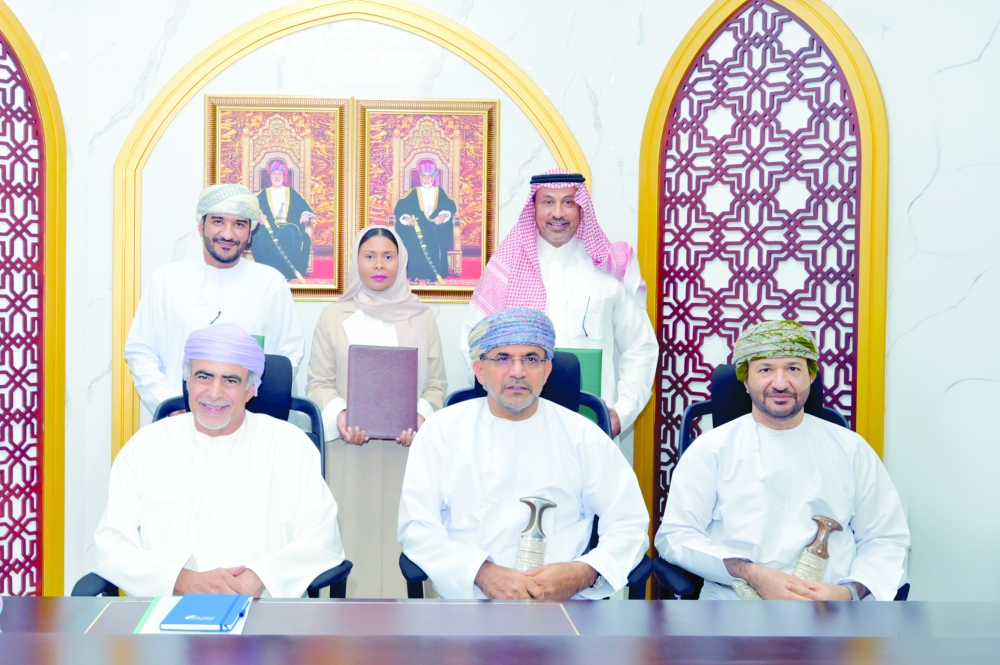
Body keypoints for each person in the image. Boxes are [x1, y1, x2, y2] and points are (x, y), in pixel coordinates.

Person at [399, 307, 649, 600]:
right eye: (503, 359)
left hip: (565, 604)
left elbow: (629, 523)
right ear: (479, 370)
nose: (518, 372)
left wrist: (581, 573)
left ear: (547, 370)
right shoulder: (440, 432)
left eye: (531, 359)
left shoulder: (583, 435)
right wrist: (482, 573)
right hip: (469, 606)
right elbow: (417, 528)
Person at [655, 321, 910, 601]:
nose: (780, 383)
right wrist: (751, 573)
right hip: (733, 606)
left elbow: (886, 538)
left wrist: (847, 592)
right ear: (745, 379)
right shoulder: (711, 449)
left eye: (793, 369)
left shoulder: (850, 448)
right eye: (765, 369)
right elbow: (675, 537)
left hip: (831, 611)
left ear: (811, 376)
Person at [93, 324, 344, 598]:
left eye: (231, 380)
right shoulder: (144, 447)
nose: (214, 392)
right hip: (166, 614)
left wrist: (259, 578)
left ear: (251, 390)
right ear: (187, 380)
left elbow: (323, 542)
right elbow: (112, 546)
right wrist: (182, 580)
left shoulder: (290, 445)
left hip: (266, 616)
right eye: (204, 376)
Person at [460, 170, 657, 440]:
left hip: (590, 426)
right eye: (548, 202)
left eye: (568, 202)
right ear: (534, 207)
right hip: (515, 425)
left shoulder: (609, 270)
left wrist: (622, 412)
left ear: (581, 208)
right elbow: (472, 343)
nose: (558, 213)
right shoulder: (504, 269)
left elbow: (640, 348)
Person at [305, 225, 447, 598]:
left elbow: (437, 385)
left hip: (408, 455)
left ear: (401, 261)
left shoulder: (422, 316)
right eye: (369, 256)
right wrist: (340, 415)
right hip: (350, 452)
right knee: (354, 544)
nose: (379, 265)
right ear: (357, 260)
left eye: (388, 255)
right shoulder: (333, 316)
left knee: (407, 549)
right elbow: (318, 382)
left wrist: (418, 417)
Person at [124, 184, 303, 414]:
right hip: (179, 420)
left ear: (250, 233)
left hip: (250, 422)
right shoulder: (167, 280)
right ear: (201, 226)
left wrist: (250, 407)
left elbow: (288, 356)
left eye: (239, 224)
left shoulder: (271, 283)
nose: (228, 234)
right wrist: (171, 404)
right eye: (218, 221)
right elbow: (141, 350)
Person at [393, 159, 457, 283]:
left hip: (436, 228)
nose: (427, 179)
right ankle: (414, 274)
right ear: (420, 177)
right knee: (412, 239)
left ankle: (433, 274)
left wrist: (443, 216)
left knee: (435, 239)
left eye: (429, 176)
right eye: (424, 176)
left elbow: (450, 206)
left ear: (434, 177)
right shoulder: (413, 193)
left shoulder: (440, 192)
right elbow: (400, 209)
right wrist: (407, 219)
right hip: (417, 227)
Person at [252, 158, 315, 280]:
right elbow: (252, 208)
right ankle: (267, 272)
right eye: (274, 173)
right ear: (270, 175)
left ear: (284, 176)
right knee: (258, 236)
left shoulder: (290, 192)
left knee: (290, 235)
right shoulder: (262, 194)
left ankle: (288, 272)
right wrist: (258, 216)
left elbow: (303, 206)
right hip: (268, 227)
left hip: (289, 226)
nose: (277, 176)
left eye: (279, 173)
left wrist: (305, 214)